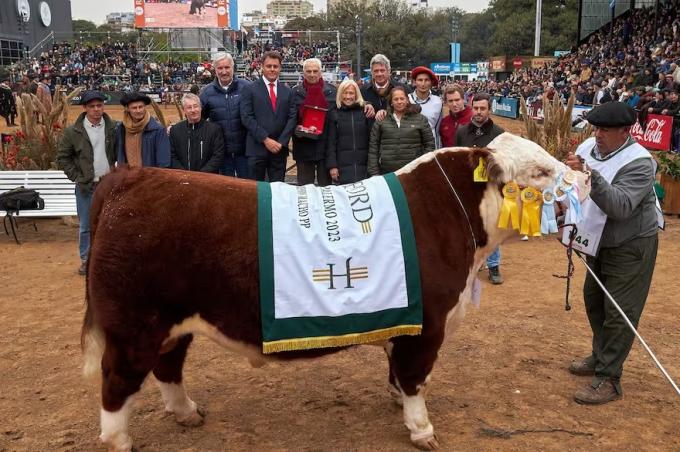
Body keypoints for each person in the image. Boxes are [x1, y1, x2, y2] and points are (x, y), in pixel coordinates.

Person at [565, 101, 660, 405]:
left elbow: (620, 206)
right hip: (597, 239)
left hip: (630, 244)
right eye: (595, 127)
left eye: (605, 129)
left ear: (625, 131)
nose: (597, 134)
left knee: (620, 312)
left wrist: (590, 174)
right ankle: (600, 355)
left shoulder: (640, 162)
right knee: (594, 301)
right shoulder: (589, 146)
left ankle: (609, 377)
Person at [56, 91, 118, 275]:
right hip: (86, 186)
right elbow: (63, 158)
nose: (96, 109)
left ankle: (107, 259)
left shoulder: (113, 127)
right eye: (92, 106)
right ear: (85, 108)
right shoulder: (73, 132)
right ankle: (86, 260)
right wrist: (77, 176)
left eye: (99, 105)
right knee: (85, 225)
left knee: (109, 225)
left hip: (108, 185)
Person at [454, 93, 505, 285]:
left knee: (491, 227)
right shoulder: (461, 132)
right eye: (475, 108)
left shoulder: (499, 133)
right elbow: (456, 158)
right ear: (471, 107)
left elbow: (503, 163)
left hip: (490, 188)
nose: (478, 112)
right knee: (468, 227)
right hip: (467, 188)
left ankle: (493, 266)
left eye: (483, 108)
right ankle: (470, 265)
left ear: (489, 109)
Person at [240, 51, 296, 182]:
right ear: (262, 67)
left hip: (279, 151)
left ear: (280, 68)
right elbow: (246, 117)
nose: (272, 69)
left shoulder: (287, 91)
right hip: (256, 148)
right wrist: (265, 139)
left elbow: (292, 118)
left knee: (278, 192)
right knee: (256, 192)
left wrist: (281, 143)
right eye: (269, 66)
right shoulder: (250, 89)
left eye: (275, 66)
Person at [199, 53, 250, 178]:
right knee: (225, 191)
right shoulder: (206, 92)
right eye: (220, 68)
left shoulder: (247, 87)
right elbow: (199, 119)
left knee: (247, 188)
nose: (224, 72)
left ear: (233, 68)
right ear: (214, 70)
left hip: (245, 151)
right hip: (221, 153)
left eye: (227, 67)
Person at [290, 58, 337, 186]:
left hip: (325, 149)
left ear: (320, 72)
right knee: (305, 190)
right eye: (308, 71)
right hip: (303, 147)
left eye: (315, 71)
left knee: (325, 190)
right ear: (303, 72)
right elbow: (290, 118)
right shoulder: (295, 92)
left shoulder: (332, 91)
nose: (312, 74)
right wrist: (298, 128)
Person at [367, 85, 434, 176]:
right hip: (387, 173)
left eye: (402, 98)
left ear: (407, 100)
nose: (399, 102)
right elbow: (373, 149)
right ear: (391, 102)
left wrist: (422, 166)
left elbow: (429, 145)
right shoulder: (381, 120)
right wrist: (374, 174)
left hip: (414, 172)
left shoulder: (420, 119)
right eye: (396, 99)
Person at [326, 79, 373, 184]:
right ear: (340, 94)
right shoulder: (334, 113)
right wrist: (332, 166)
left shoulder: (365, 112)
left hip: (365, 167)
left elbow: (372, 141)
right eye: (345, 93)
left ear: (356, 94)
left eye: (351, 93)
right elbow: (331, 143)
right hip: (342, 168)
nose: (348, 96)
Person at [169, 93, 224, 173]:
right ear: (184, 110)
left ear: (201, 108)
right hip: (183, 178)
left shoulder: (214, 130)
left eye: (195, 106)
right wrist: (184, 174)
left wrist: (201, 175)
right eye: (189, 107)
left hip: (207, 178)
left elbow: (218, 156)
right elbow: (172, 155)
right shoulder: (175, 130)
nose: (193, 110)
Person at [116, 92, 170, 168]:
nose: (138, 111)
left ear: (145, 107)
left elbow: (163, 161)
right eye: (134, 108)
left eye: (140, 107)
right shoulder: (121, 128)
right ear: (127, 109)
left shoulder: (157, 130)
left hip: (149, 177)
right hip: (127, 176)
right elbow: (119, 154)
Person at [408, 66, 442, 148]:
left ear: (431, 82)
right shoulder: (406, 99)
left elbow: (439, 130)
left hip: (431, 147)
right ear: (415, 82)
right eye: (420, 80)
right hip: (410, 147)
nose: (423, 84)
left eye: (426, 80)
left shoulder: (439, 102)